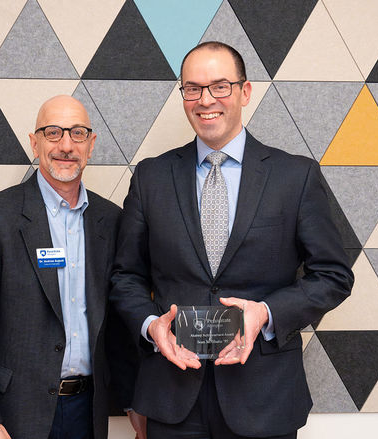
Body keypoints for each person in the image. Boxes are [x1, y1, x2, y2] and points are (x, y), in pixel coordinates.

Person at [110, 42, 354, 438]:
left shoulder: (295, 176)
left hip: (264, 396)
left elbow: (333, 276)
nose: (205, 100)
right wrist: (152, 325)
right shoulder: (151, 177)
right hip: (172, 398)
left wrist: (267, 313)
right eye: (192, 88)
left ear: (244, 92)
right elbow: (125, 277)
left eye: (220, 86)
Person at [0, 95, 144, 439]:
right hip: (13, 415)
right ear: (34, 143)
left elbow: (116, 326)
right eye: (53, 133)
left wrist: (132, 403)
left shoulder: (112, 220)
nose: (66, 145)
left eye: (78, 134)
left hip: (88, 411)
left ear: (91, 145)